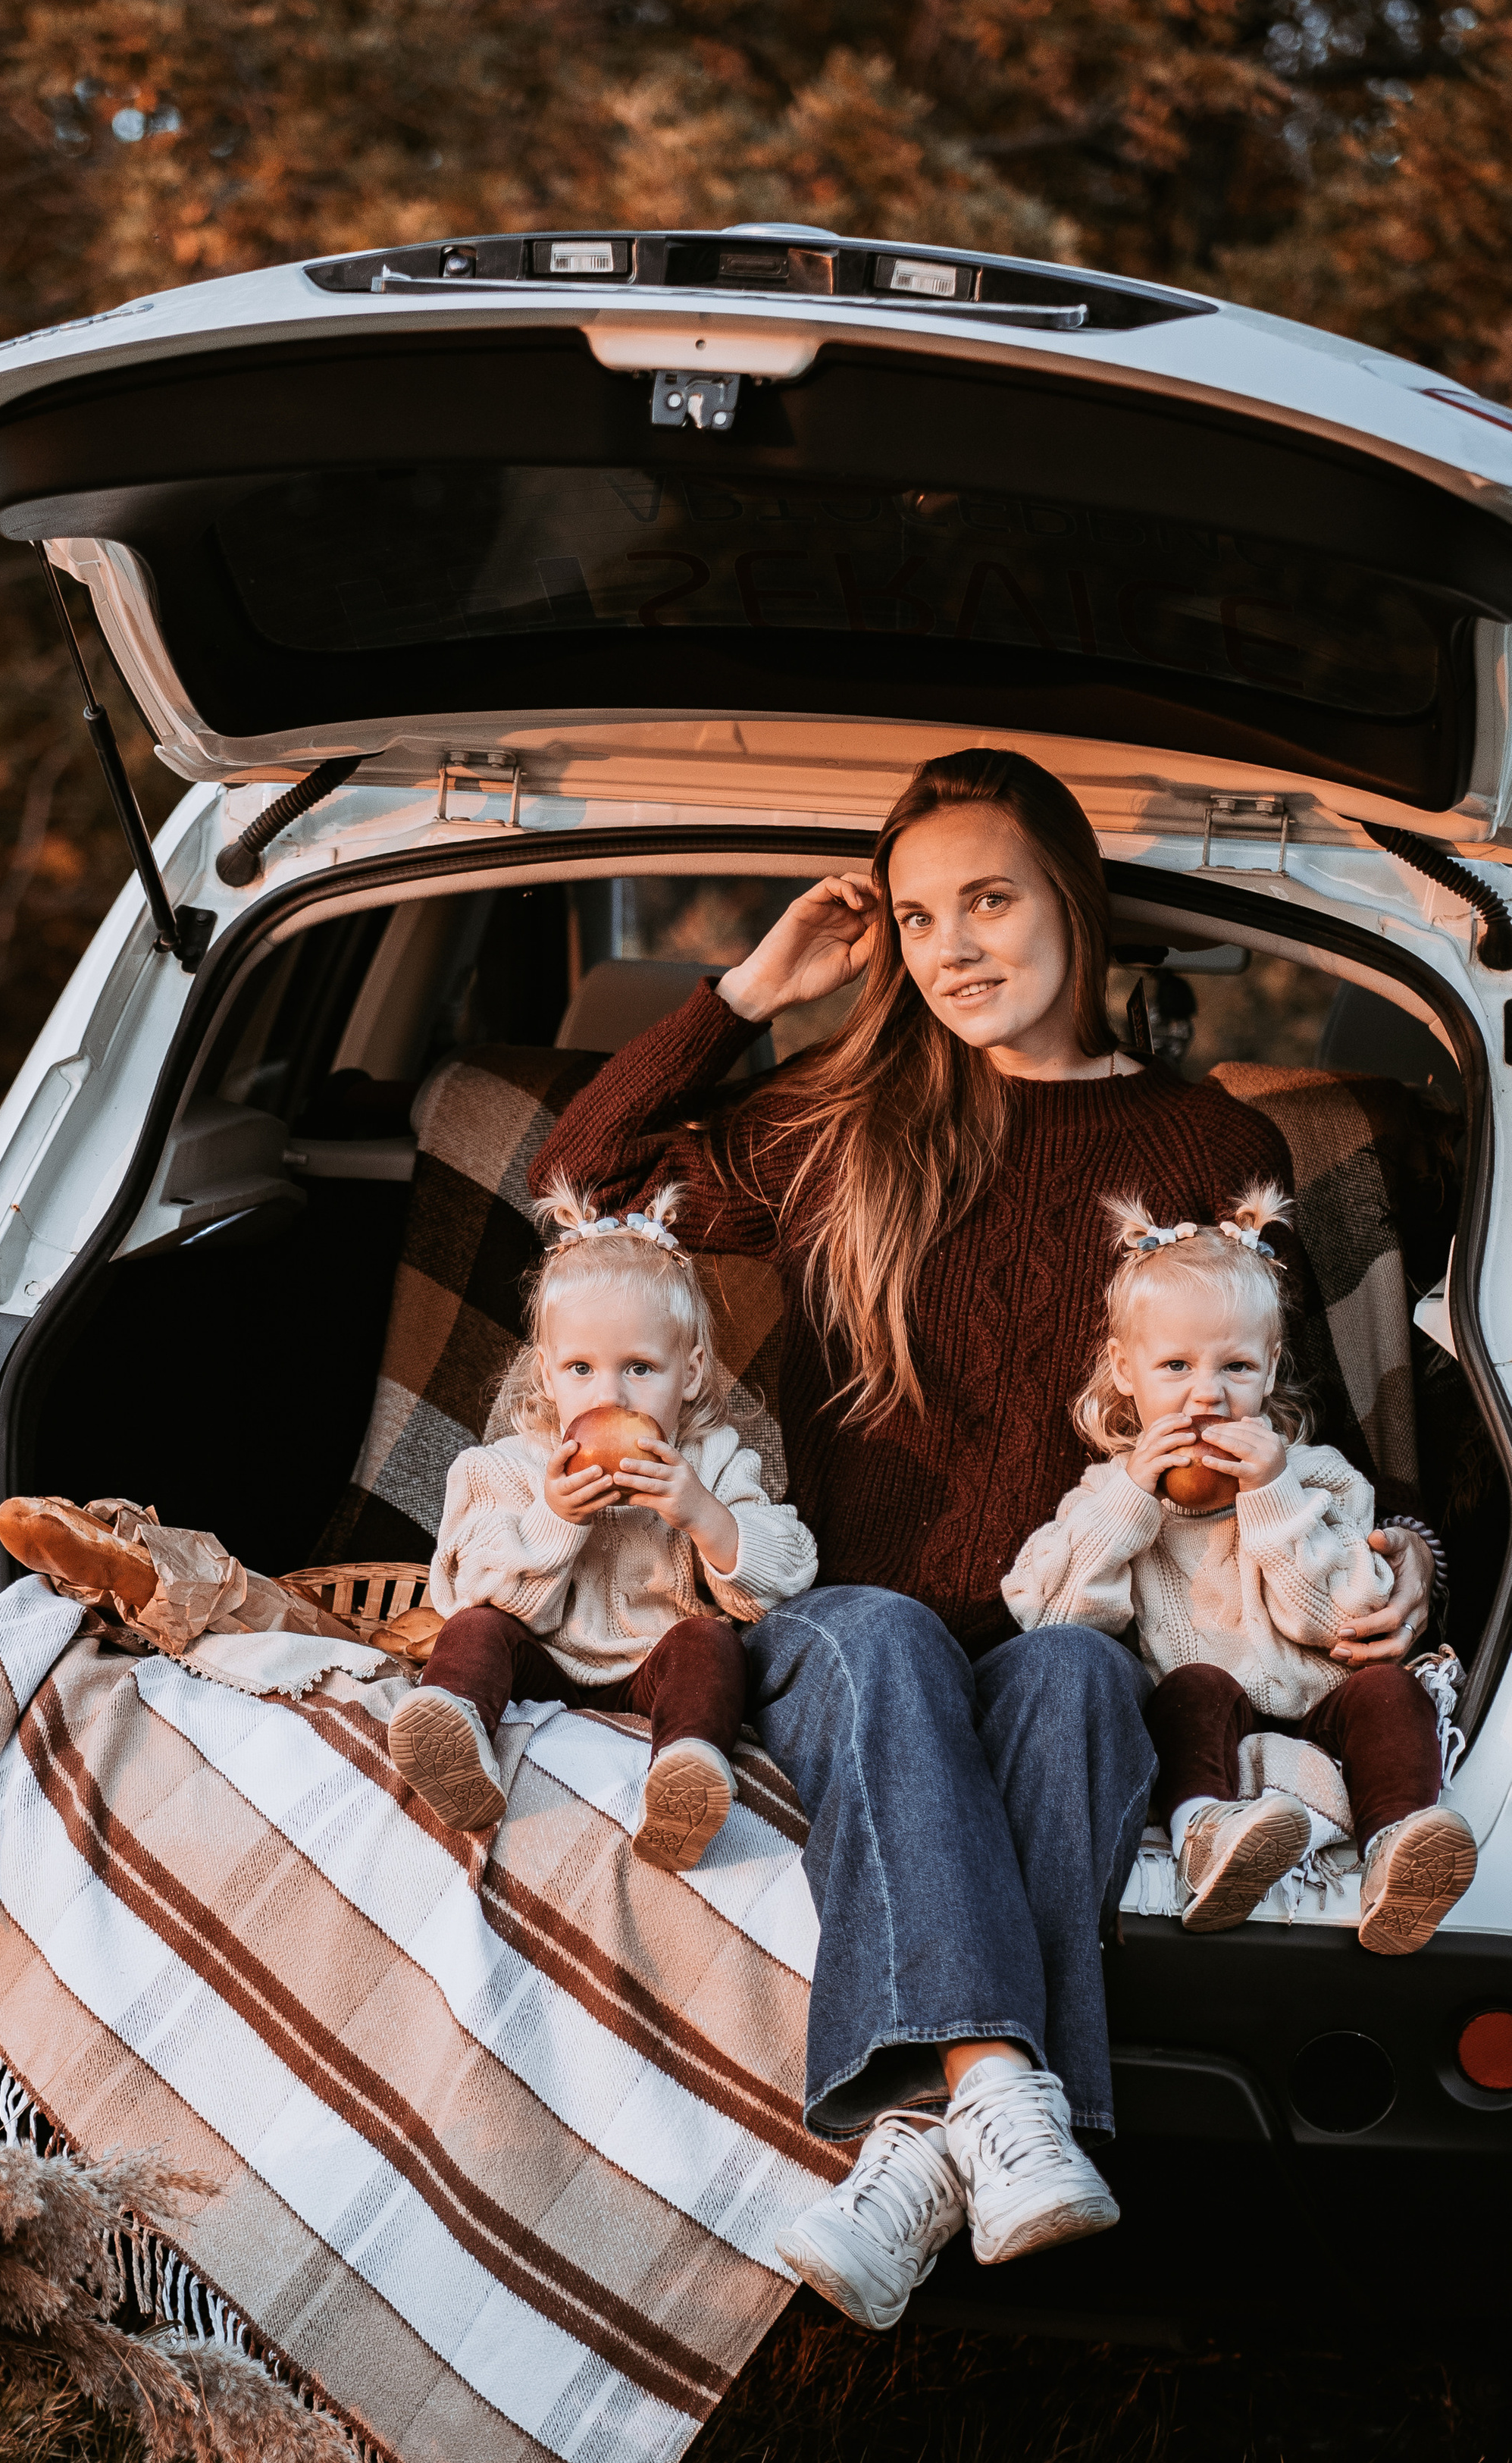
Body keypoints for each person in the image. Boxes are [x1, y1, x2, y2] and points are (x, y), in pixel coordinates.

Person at [531, 746, 1438, 2333]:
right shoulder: (839, 1123)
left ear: (1072, 904)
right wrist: (747, 992)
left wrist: (1405, 1550)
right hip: (839, 1618)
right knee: (883, 1633)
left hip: (1064, 1624)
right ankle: (1000, 2084)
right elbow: (574, 1177)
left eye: (988, 899)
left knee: (1086, 1685)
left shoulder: (1202, 1150)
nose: (951, 945)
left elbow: (1288, 1420)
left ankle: (913, 2148)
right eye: (914, 915)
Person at [1003, 1186, 1475, 1954]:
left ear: (1271, 1368)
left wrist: (1272, 1496)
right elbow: (1053, 1627)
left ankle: (1401, 1856)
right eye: (1176, 1365)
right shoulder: (1111, 1497)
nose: (1206, 1393)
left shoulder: (1316, 1478)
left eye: (1235, 1366)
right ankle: (1208, 1837)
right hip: (1207, 1725)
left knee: (1387, 1691)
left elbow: (1335, 1624)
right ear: (1125, 1370)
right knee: (1191, 1689)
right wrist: (1128, 1502)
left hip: (1322, 1703)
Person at [388, 1180, 819, 1870]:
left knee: (710, 1643)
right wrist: (554, 1518)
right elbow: (471, 1586)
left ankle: (687, 1769)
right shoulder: (507, 1466)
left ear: (690, 1371)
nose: (609, 1395)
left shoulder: (710, 1463)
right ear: (547, 1376)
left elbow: (785, 1575)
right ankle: (454, 1728)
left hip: (655, 1670)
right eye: (581, 1368)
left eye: (640, 1368)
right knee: (473, 1629)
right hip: (540, 1661)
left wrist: (703, 1515)